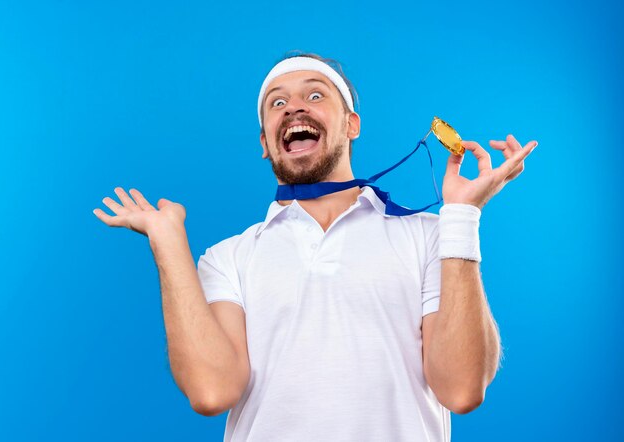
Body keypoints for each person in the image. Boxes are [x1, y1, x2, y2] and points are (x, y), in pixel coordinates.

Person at [93, 52, 537, 441]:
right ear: (266, 144)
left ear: (351, 125)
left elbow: (461, 389)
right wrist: (168, 241)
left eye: (316, 95)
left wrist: (461, 216)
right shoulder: (229, 258)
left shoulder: (428, 235)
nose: (294, 108)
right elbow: (212, 392)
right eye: (277, 103)